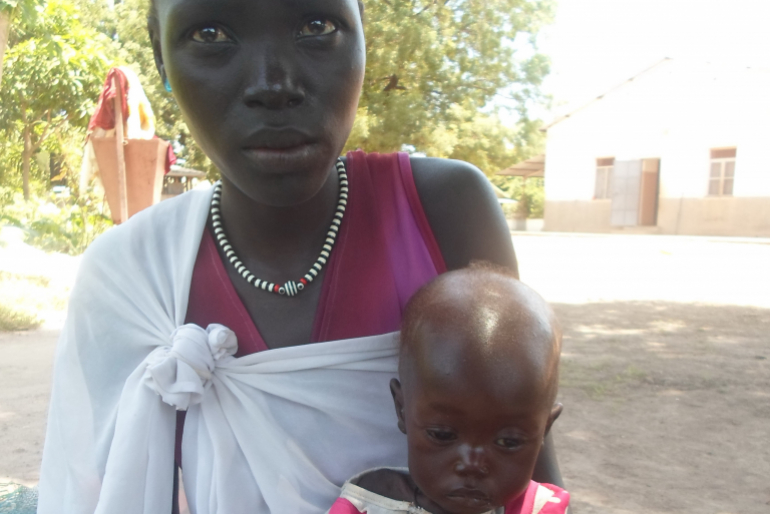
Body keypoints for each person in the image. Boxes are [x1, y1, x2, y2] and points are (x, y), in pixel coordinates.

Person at [36, 1, 563, 513]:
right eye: (211, 34)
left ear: (364, 35)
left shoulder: (443, 211)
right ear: (160, 58)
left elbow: (529, 478)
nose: (272, 84)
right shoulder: (128, 277)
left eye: (317, 25)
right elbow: (91, 493)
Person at [328, 267, 569, 514]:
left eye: (508, 441)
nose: (473, 464)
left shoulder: (541, 509)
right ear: (402, 409)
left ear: (544, 430)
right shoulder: (368, 503)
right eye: (442, 434)